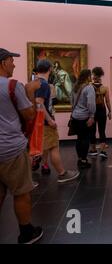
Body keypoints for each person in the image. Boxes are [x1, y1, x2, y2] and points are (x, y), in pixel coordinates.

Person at [0, 48, 43, 244]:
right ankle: (26, 233)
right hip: (11, 148)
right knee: (21, 192)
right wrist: (31, 92)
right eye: (11, 60)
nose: (14, 64)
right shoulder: (13, 85)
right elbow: (29, 115)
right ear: (3, 63)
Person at [34, 59, 79, 183]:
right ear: (49, 69)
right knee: (54, 147)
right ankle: (62, 173)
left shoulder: (34, 82)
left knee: (40, 148)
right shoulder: (43, 84)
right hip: (45, 122)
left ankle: (28, 177)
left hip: (38, 122)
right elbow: (39, 103)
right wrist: (49, 120)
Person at [71, 69, 96, 169]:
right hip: (84, 117)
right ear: (88, 76)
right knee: (85, 139)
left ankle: (79, 158)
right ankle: (84, 160)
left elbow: (71, 101)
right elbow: (91, 103)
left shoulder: (75, 86)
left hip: (75, 116)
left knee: (79, 138)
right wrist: (92, 116)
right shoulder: (89, 87)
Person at [88, 67, 112, 159]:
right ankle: (102, 151)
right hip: (102, 110)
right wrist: (110, 111)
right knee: (102, 130)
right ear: (101, 76)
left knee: (92, 131)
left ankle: (93, 150)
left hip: (92, 111)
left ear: (94, 76)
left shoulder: (89, 87)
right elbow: (108, 101)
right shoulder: (105, 88)